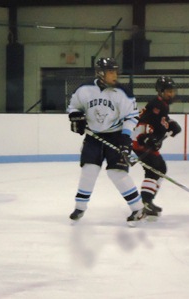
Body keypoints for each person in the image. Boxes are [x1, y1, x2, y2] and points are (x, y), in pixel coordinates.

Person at [67, 57, 145, 226]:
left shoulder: (123, 92)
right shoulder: (84, 89)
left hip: (116, 136)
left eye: (116, 71)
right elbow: (74, 107)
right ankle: (80, 207)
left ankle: (138, 209)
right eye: (111, 72)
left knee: (117, 173)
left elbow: (131, 117)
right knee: (89, 170)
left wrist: (125, 138)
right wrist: (75, 117)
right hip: (93, 137)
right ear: (100, 73)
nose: (115, 75)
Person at [131, 76, 181, 220]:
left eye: (172, 91)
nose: (171, 94)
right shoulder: (156, 104)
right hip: (141, 142)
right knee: (154, 169)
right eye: (168, 91)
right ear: (160, 91)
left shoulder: (162, 105)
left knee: (161, 169)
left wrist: (170, 124)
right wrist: (147, 138)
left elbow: (160, 121)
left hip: (147, 142)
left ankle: (148, 200)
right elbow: (142, 122)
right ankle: (145, 202)